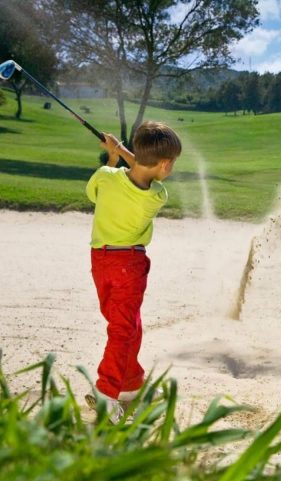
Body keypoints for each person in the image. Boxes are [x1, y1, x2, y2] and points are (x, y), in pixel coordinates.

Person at [84, 121, 181, 423]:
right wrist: (121, 151)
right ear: (164, 165)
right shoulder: (157, 195)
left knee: (127, 325)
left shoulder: (104, 176)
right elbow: (141, 171)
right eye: (172, 162)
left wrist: (114, 157)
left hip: (100, 262)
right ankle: (106, 393)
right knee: (123, 329)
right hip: (130, 265)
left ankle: (129, 385)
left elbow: (95, 194)